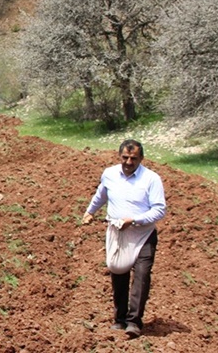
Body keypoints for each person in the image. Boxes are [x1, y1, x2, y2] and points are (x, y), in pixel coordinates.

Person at [82, 139, 166, 338]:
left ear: (141, 158)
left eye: (133, 158)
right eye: (125, 158)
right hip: (118, 232)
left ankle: (134, 322)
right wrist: (90, 211)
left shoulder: (151, 179)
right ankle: (120, 318)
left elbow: (159, 209)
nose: (129, 162)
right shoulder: (109, 174)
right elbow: (101, 194)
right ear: (119, 156)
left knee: (142, 276)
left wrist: (135, 220)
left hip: (143, 234)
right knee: (118, 271)